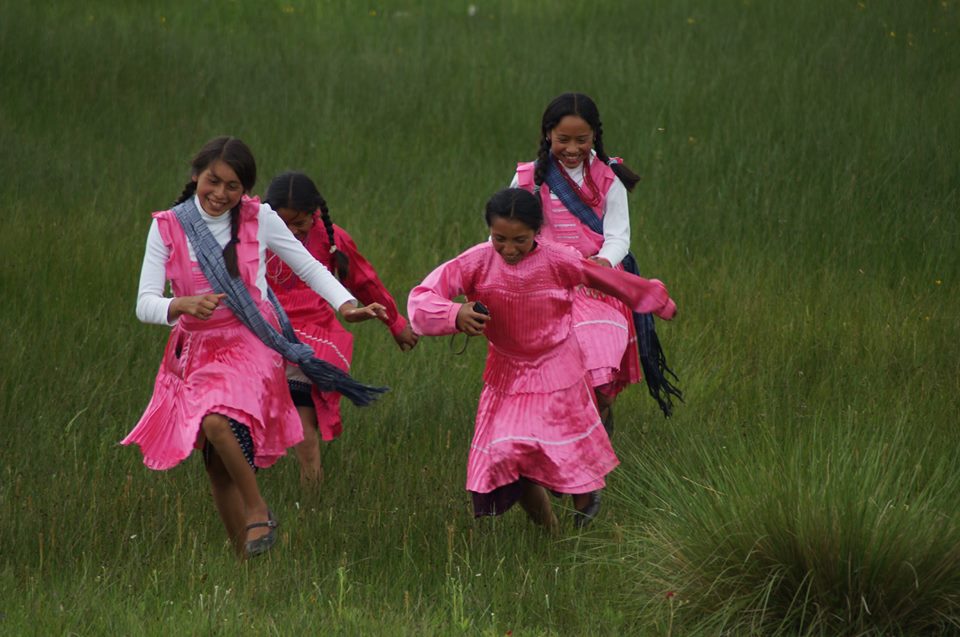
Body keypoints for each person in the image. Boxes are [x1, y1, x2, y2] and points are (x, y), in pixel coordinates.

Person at [122, 137, 387, 558]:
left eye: (233, 186)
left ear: (245, 189)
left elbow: (309, 266)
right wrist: (181, 304)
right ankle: (245, 562)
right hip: (195, 350)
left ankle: (257, 508)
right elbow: (144, 304)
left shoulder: (260, 218)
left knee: (214, 424)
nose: (221, 194)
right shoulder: (167, 226)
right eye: (213, 181)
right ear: (196, 176)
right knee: (216, 467)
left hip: (250, 344)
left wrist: (347, 305)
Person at [407, 188, 676, 530]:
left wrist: (657, 300)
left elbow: (611, 280)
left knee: (559, 444)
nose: (508, 249)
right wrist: (455, 313)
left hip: (556, 363)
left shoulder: (559, 259)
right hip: (507, 371)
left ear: (537, 232)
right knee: (508, 455)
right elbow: (422, 296)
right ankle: (550, 529)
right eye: (499, 238)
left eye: (519, 239)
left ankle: (586, 495)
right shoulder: (476, 260)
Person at [511, 92, 682, 428]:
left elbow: (619, 235)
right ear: (548, 135)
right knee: (550, 372)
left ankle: (598, 422)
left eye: (582, 140)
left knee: (601, 374)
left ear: (595, 137)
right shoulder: (529, 179)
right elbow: (505, 229)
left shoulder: (608, 178)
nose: (572, 149)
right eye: (563, 140)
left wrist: (603, 263)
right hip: (545, 286)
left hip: (598, 287)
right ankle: (563, 442)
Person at [263, 171, 419, 489]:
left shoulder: (332, 240)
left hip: (311, 342)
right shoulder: (253, 236)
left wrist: (396, 323)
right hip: (263, 336)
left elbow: (365, 282)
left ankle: (311, 501)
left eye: (300, 224)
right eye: (284, 224)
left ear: (315, 214)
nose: (291, 233)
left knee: (304, 426)